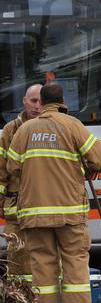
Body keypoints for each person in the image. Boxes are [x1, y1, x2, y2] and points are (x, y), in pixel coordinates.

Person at [6, 83, 101, 303]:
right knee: (75, 266)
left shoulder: (25, 130)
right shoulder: (73, 125)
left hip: (34, 215)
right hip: (70, 213)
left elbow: (12, 167)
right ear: (63, 102)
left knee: (42, 269)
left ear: (42, 103)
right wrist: (85, 168)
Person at [0, 84, 43, 283]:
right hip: (16, 207)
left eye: (42, 101)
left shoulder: (50, 127)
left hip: (44, 206)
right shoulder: (10, 130)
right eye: (33, 101)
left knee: (45, 258)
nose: (37, 106)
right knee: (17, 259)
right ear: (24, 101)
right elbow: (1, 169)